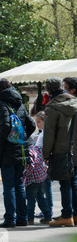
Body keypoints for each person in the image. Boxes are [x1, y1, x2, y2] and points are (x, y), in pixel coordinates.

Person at [0, 79, 36, 228]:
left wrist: (0, 141)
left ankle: (10, 218)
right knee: (18, 185)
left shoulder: (3, 103)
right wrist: (21, 138)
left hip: (8, 151)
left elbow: (5, 125)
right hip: (21, 150)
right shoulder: (20, 103)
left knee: (9, 186)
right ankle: (22, 218)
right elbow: (31, 124)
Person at [43, 77, 77, 227]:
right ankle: (75, 214)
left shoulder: (53, 107)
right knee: (74, 181)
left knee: (65, 182)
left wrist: (45, 154)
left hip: (61, 150)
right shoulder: (75, 102)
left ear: (48, 90)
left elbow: (49, 134)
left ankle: (66, 215)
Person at [23, 111, 51, 225]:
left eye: (38, 122)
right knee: (41, 197)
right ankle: (47, 215)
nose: (37, 124)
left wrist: (24, 176)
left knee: (30, 199)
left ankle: (29, 218)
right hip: (41, 176)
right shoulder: (36, 149)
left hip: (32, 179)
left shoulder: (29, 152)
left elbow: (30, 166)